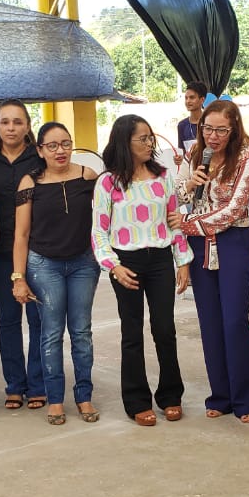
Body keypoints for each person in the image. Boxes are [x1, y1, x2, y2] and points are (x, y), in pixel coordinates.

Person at [93, 115, 193, 426]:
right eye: (143, 139)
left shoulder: (163, 178)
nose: (150, 144)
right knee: (131, 333)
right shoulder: (107, 183)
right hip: (127, 264)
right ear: (125, 142)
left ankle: (171, 395)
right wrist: (114, 266)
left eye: (151, 138)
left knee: (165, 329)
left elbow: (174, 221)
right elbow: (99, 231)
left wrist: (183, 262)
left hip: (161, 259)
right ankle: (136, 400)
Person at [168, 99, 249, 423]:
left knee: (234, 319)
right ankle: (220, 395)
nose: (213, 136)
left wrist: (187, 223)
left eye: (221, 129)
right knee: (209, 321)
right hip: (198, 244)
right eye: (208, 128)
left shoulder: (246, 160)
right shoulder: (195, 154)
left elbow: (234, 209)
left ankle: (246, 397)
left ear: (233, 128)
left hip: (232, 240)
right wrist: (190, 184)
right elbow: (176, 196)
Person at [11, 122, 101, 425]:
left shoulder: (88, 176)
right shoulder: (29, 183)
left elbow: (105, 217)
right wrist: (18, 277)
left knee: (81, 332)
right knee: (51, 334)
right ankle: (55, 399)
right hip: (43, 264)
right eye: (52, 145)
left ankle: (84, 396)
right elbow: (21, 235)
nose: (60, 150)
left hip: (83, 264)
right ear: (40, 150)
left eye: (65, 143)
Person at [0, 100, 46, 410]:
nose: (12, 128)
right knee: (9, 318)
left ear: (28, 125)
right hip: (1, 252)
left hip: (41, 250)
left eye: (18, 122)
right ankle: (14, 385)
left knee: (39, 318)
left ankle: (39, 383)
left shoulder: (41, 158)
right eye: (5, 122)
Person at [173, 81, 207, 167]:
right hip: (189, 170)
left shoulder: (209, 123)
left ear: (202, 99)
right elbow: (182, 152)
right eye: (186, 98)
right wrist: (178, 159)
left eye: (192, 98)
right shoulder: (182, 125)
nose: (188, 101)